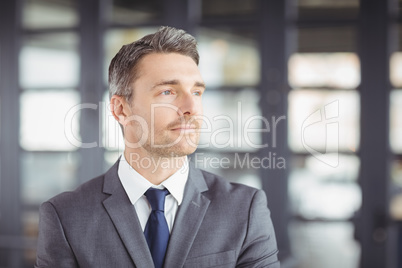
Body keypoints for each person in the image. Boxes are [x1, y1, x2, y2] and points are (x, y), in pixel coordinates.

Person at [35, 26, 279, 268]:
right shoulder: (65, 216)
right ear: (121, 109)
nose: (191, 108)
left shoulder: (245, 209)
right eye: (167, 91)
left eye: (196, 91)